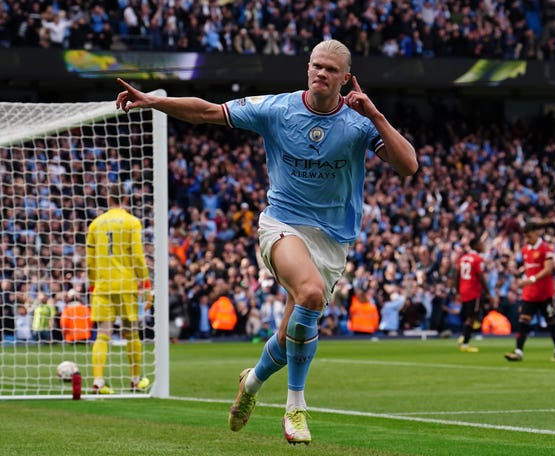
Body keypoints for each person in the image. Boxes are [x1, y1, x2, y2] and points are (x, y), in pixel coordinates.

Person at [115, 38, 417, 444]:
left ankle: (252, 383)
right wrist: (152, 100)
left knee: (290, 331)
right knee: (309, 295)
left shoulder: (359, 123)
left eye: (330, 69)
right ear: (307, 68)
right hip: (282, 224)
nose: (320, 74)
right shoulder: (277, 108)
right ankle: (295, 407)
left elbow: (408, 166)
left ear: (346, 78)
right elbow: (208, 112)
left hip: (331, 239)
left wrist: (377, 115)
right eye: (315, 66)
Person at [87, 183, 153, 394]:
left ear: (109, 199)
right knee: (131, 332)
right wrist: (145, 281)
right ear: (125, 199)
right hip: (126, 284)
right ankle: (135, 380)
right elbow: (137, 255)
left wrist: (92, 283)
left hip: (103, 285)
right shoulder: (132, 222)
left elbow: (90, 260)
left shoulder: (96, 224)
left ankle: (98, 382)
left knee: (103, 335)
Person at [505, 222, 555, 362]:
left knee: (552, 322)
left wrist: (530, 279)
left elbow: (548, 269)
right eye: (525, 237)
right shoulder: (525, 249)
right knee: (523, 322)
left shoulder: (546, 248)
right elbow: (529, 269)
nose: (527, 239)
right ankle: (518, 351)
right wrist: (522, 280)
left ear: (536, 233)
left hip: (545, 294)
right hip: (530, 294)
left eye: (529, 236)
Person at [456, 235, 496, 352]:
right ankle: (465, 344)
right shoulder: (477, 259)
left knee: (469, 315)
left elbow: (457, 276)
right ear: (476, 246)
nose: (483, 246)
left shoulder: (463, 258)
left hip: (463, 290)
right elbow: (481, 276)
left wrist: (457, 290)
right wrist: (488, 293)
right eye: (481, 244)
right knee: (472, 317)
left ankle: (464, 335)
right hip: (473, 290)